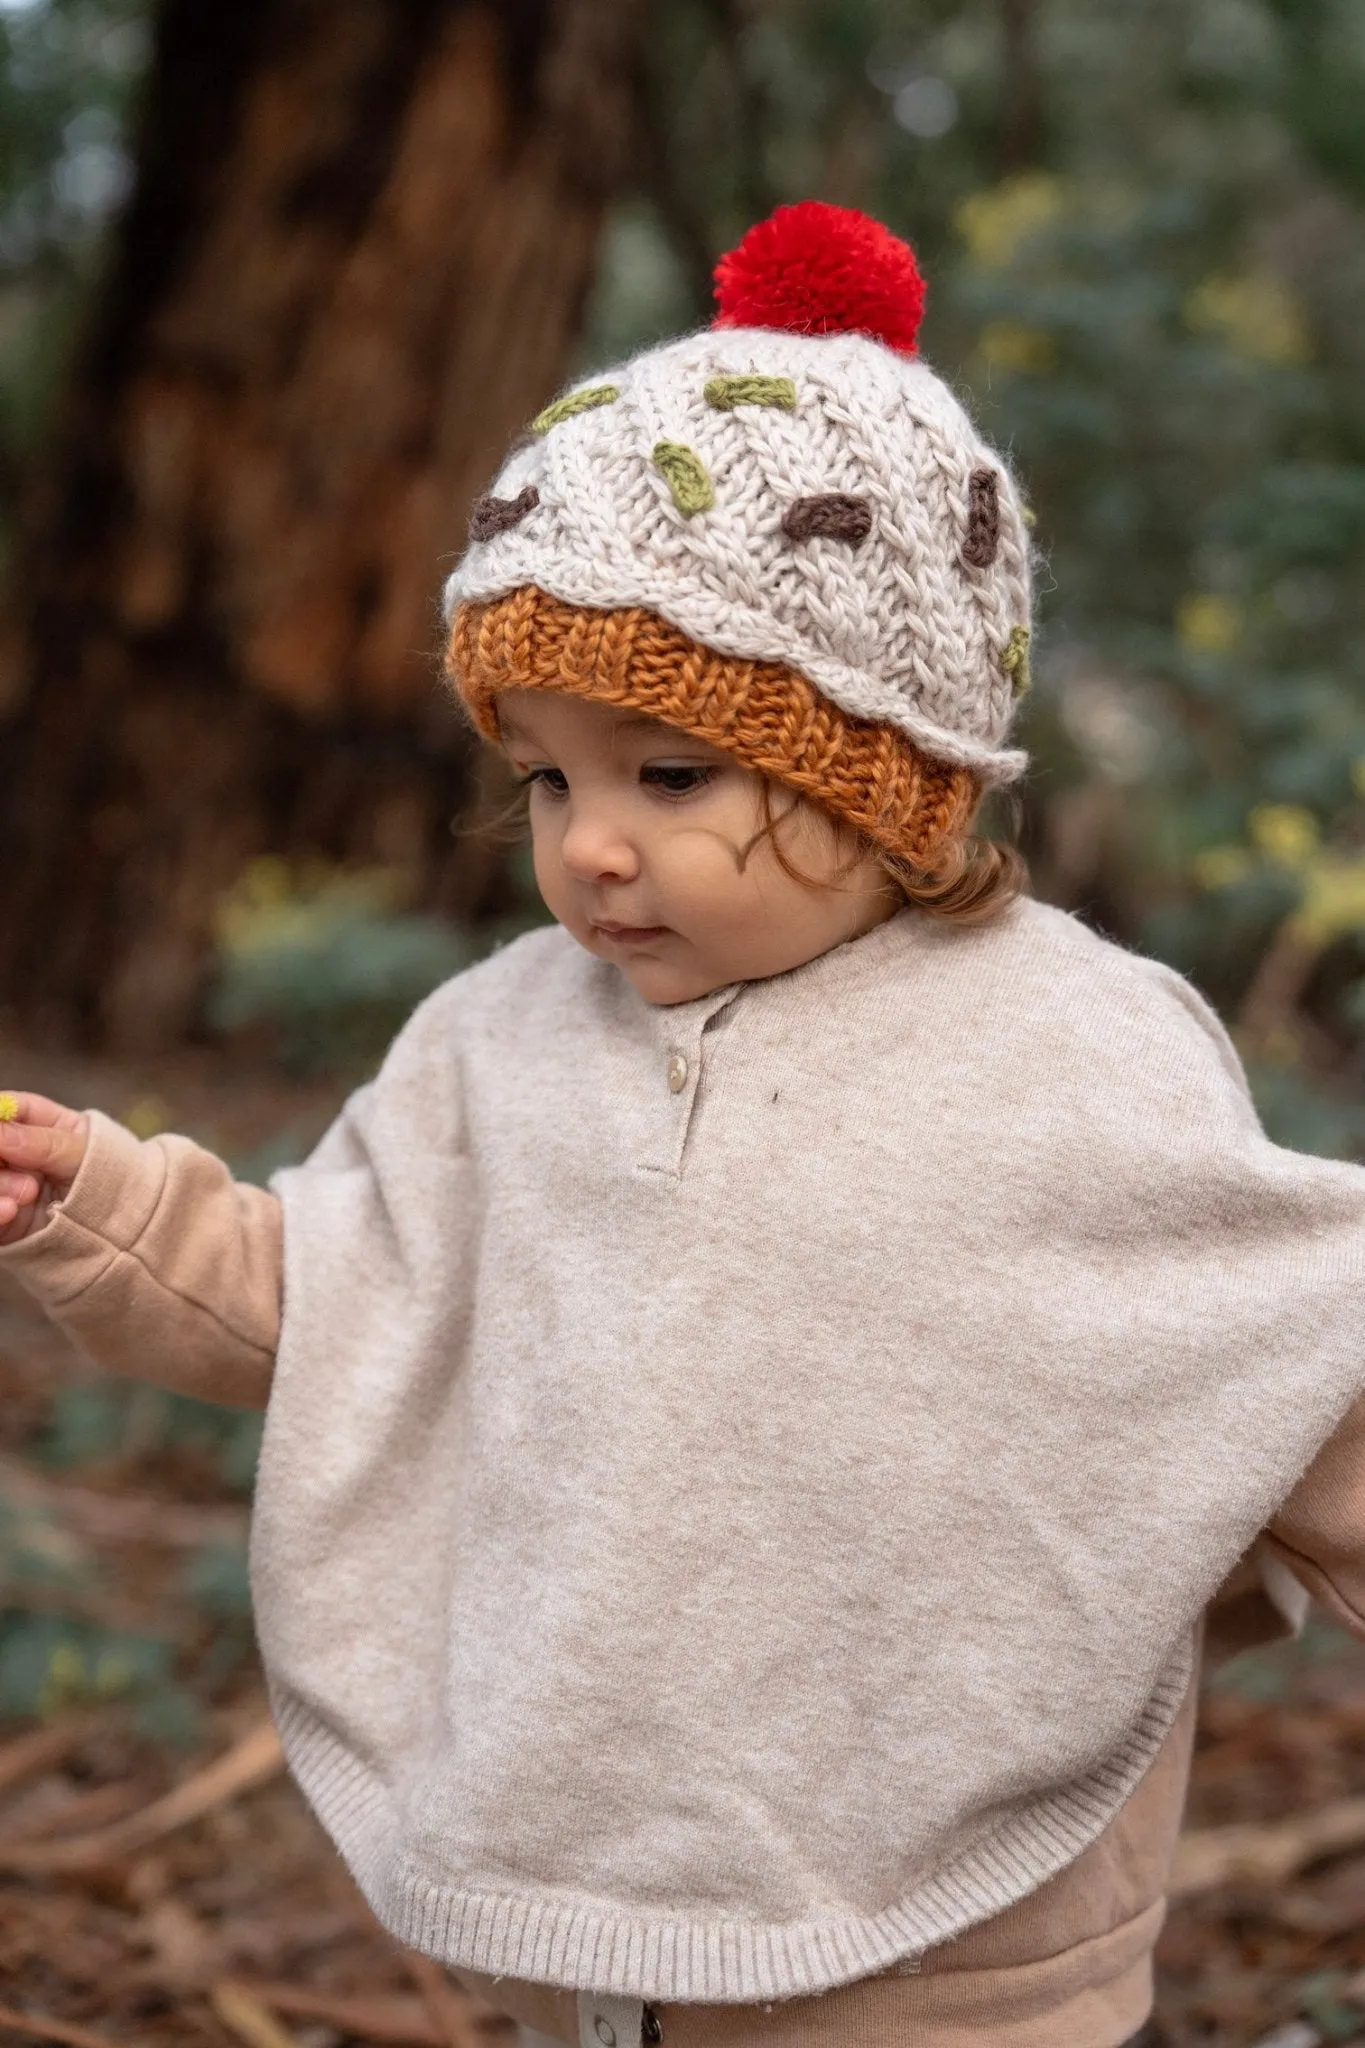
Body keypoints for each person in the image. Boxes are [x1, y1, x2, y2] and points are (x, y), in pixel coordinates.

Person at [1, 201, 1364, 2048]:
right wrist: (96, 1203)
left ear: (882, 775)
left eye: (671, 772)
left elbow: (1282, 1360)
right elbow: (328, 1293)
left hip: (977, 1951)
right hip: (629, 1905)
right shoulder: (502, 1043)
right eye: (547, 778)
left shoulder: (1075, 1047)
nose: (591, 846)